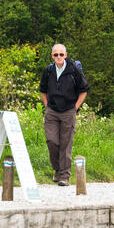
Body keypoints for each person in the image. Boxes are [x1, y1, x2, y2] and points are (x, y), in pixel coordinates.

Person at [39, 44, 90, 186]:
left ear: (66, 55)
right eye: (56, 55)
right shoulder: (48, 71)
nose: (59, 57)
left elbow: (84, 89)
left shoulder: (73, 70)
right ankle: (57, 169)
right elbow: (42, 89)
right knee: (52, 141)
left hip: (68, 111)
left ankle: (64, 176)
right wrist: (47, 105)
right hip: (52, 111)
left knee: (66, 143)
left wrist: (75, 108)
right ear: (52, 56)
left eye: (61, 55)